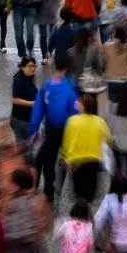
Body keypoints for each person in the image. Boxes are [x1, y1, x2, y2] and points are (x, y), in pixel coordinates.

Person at [31, 59, 82, 203]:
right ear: (66, 69)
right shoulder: (70, 88)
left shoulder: (45, 87)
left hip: (50, 130)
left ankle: (49, 189)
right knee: (66, 156)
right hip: (67, 130)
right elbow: (75, 110)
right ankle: (62, 178)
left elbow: (37, 110)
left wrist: (33, 129)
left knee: (48, 160)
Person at [60, 93, 113, 206]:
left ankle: (80, 215)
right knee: (90, 193)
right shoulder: (100, 121)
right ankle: (88, 213)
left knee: (78, 193)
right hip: (94, 162)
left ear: (83, 106)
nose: (76, 102)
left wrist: (64, 155)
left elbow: (67, 141)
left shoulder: (72, 120)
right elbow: (109, 140)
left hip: (77, 162)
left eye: (78, 101)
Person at [10, 55, 39, 135]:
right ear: (23, 67)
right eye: (29, 66)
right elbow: (15, 99)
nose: (32, 68)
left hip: (28, 118)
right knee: (23, 144)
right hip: (20, 119)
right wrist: (32, 104)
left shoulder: (30, 78)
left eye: (34, 66)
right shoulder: (18, 81)